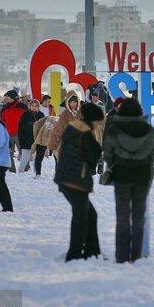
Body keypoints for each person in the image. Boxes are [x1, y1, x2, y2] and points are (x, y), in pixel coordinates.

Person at [102, 98, 154, 263]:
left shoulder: (114, 130)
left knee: (122, 217)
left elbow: (108, 153)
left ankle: (121, 257)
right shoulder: (148, 129)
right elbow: (153, 153)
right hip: (142, 177)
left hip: (121, 176)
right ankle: (136, 256)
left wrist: (116, 164)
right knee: (139, 217)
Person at [54, 103, 105, 261]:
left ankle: (92, 251)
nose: (98, 125)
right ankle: (75, 255)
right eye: (98, 121)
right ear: (92, 119)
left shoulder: (73, 129)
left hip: (65, 179)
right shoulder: (85, 133)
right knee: (81, 218)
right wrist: (99, 149)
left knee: (90, 215)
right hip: (75, 181)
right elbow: (92, 160)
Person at [0, 90, 27, 171]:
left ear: (12, 97)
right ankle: (11, 170)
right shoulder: (5, 108)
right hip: (8, 134)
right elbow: (2, 119)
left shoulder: (22, 106)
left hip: (20, 134)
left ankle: (26, 169)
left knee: (23, 153)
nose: (6, 98)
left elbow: (27, 119)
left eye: (7, 96)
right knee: (8, 153)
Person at [48, 92, 81, 158]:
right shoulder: (65, 113)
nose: (73, 104)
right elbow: (59, 127)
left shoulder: (81, 113)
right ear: (68, 103)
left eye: (75, 102)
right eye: (71, 102)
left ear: (77, 103)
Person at [18, 99, 45, 172]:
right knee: (25, 157)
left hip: (38, 139)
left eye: (36, 106)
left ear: (38, 107)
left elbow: (44, 128)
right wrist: (21, 139)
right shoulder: (25, 114)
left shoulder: (41, 115)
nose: (34, 107)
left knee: (37, 157)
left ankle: (36, 171)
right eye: (32, 106)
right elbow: (21, 128)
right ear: (29, 106)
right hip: (27, 139)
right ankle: (20, 171)